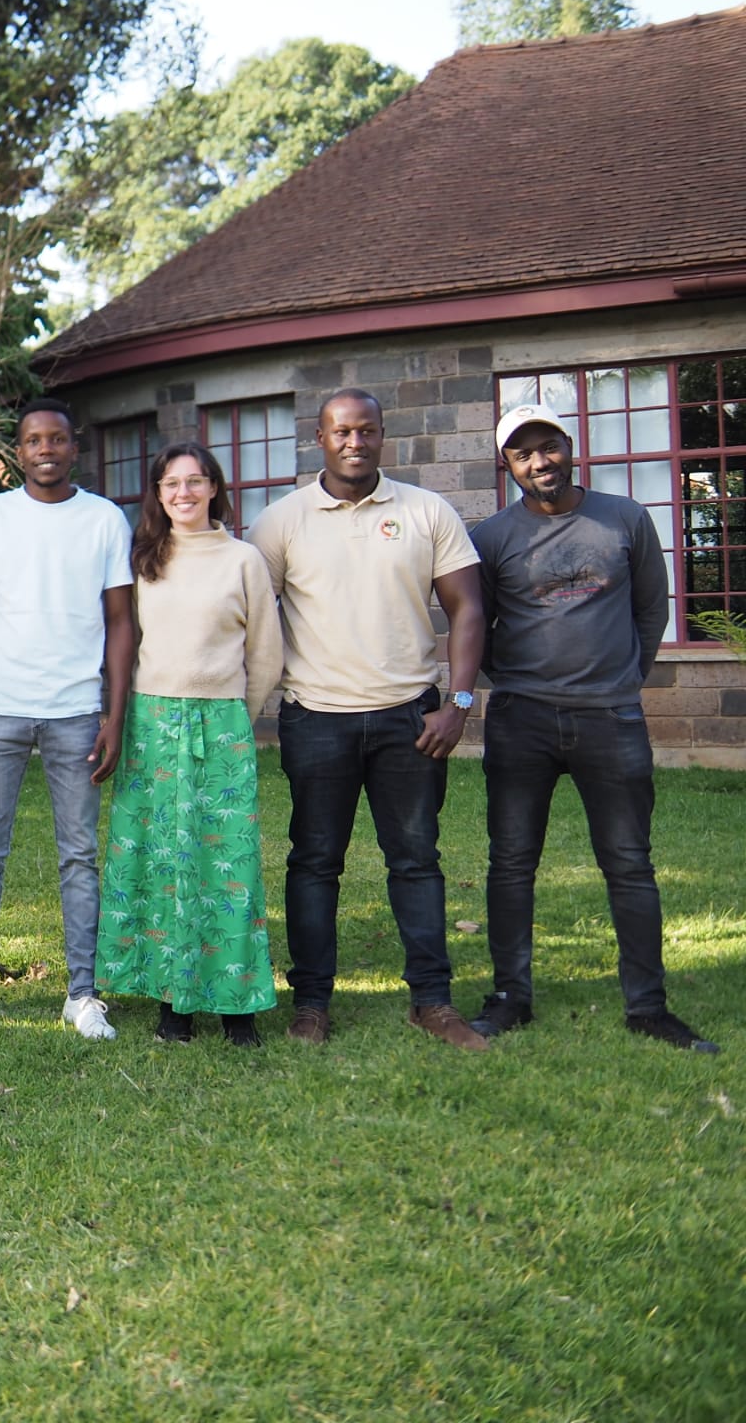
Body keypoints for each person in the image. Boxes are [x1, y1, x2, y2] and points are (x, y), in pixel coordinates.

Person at [468, 404, 718, 1053]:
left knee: (630, 863)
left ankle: (648, 1008)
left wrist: (622, 678)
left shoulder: (625, 518)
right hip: (521, 719)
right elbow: (478, 625)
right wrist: (517, 680)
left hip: (611, 716)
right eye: (523, 454)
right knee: (511, 863)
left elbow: (651, 609)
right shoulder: (491, 537)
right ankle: (510, 998)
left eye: (548, 446)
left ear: (568, 445)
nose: (540, 462)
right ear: (508, 465)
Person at [248, 388, 487, 1050]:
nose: (355, 442)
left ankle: (432, 1002)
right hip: (315, 718)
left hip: (410, 721)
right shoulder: (281, 522)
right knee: (314, 863)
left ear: (383, 435)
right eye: (342, 432)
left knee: (416, 861)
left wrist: (458, 705)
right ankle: (311, 1005)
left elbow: (468, 608)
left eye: (367, 431)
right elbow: (246, 613)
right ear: (320, 439)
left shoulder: (426, 511)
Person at [0, 399, 136, 1037]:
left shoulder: (104, 519)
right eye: (32, 440)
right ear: (17, 451)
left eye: (56, 439)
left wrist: (113, 715)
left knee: (79, 855)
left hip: (76, 712)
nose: (45, 449)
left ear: (75, 447)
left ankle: (83, 994)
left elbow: (121, 622)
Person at [94, 443, 282, 1047]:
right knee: (159, 861)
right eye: (171, 483)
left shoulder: (243, 560)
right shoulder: (144, 559)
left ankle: (235, 1007)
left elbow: (266, 653)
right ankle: (172, 1002)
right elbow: (123, 641)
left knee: (226, 864)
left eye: (195, 481)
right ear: (158, 493)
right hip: (151, 723)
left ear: (214, 488)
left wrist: (234, 718)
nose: (184, 492)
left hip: (221, 725)